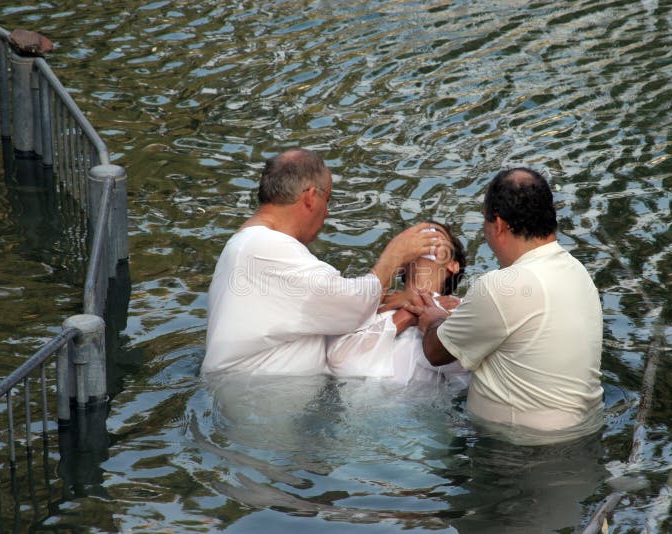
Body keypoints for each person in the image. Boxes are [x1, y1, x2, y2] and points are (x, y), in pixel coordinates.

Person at [202, 148, 447, 376]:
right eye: (327, 199)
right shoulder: (265, 248)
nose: (327, 212)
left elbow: (327, 303)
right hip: (255, 402)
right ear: (310, 197)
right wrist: (393, 258)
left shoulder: (249, 245)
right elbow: (351, 307)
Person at [407, 168, 604, 439]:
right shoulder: (578, 273)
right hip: (583, 434)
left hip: (518, 452)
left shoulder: (503, 286)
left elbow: (436, 352)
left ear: (498, 225)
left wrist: (434, 319)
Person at [326, 222, 468, 387]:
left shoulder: (462, 310)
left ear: (453, 265)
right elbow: (340, 362)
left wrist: (433, 311)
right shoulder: (370, 308)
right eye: (417, 236)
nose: (427, 236)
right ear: (402, 265)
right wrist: (406, 315)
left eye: (436, 233)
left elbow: (466, 370)